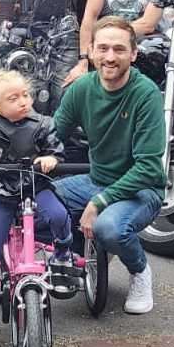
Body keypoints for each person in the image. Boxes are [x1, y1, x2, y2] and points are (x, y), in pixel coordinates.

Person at [53, 17, 166, 315]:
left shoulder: (146, 94)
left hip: (141, 191)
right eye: (102, 48)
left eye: (119, 49)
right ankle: (82, 255)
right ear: (90, 51)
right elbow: (52, 137)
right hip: (95, 180)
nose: (110, 57)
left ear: (133, 54)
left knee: (109, 227)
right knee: (37, 201)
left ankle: (140, 271)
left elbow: (149, 169)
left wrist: (100, 202)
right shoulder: (82, 89)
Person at [0, 70, 74, 328]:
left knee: (59, 216)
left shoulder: (43, 123)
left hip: (36, 185)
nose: (23, 101)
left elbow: (55, 149)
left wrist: (52, 158)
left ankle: (62, 252)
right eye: (13, 98)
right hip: (3, 190)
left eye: (25, 95)